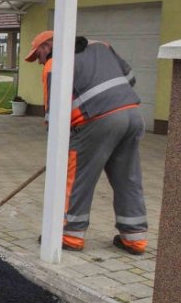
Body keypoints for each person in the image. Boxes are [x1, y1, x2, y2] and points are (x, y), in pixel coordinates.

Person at [26, 30, 148, 255]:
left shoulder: (54, 65)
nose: (39, 61)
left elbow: (53, 116)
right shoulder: (101, 45)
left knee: (77, 178)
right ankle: (134, 238)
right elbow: (130, 79)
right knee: (128, 177)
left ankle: (70, 234)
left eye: (38, 55)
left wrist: (60, 148)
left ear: (47, 45)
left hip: (98, 121)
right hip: (132, 115)